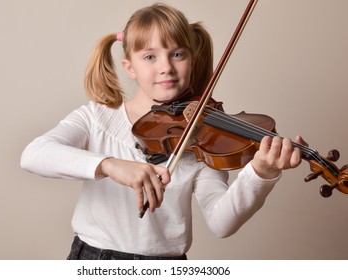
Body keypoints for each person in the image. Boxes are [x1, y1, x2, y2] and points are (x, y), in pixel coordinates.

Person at [20, 3, 305, 260]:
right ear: (129, 67)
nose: (166, 67)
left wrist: (261, 174)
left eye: (177, 54)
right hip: (95, 259)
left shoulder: (203, 138)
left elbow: (222, 223)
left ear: (192, 60)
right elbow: (34, 155)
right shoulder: (97, 118)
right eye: (149, 57)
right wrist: (110, 165)